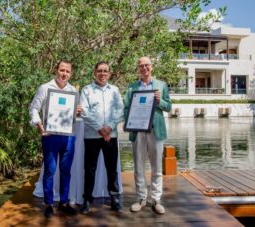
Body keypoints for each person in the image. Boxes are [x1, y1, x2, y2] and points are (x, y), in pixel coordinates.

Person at [29, 60, 81, 218]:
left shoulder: (74, 91)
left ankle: (64, 202)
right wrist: (38, 124)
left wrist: (78, 112)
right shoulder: (45, 88)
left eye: (67, 71)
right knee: (50, 171)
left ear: (71, 73)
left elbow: (74, 116)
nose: (64, 74)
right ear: (56, 70)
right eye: (62, 70)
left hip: (68, 137)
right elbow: (34, 108)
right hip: (50, 136)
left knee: (66, 171)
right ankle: (49, 204)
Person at [124, 56, 172, 214]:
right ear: (137, 69)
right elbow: (126, 109)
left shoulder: (161, 85)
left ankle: (156, 199)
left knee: (157, 167)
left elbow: (169, 107)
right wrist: (129, 124)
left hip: (155, 130)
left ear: (151, 67)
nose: (144, 68)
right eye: (140, 66)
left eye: (146, 65)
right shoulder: (131, 87)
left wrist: (160, 101)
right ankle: (140, 198)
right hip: (138, 130)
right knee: (138, 166)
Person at [79, 61, 124, 214]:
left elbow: (120, 111)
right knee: (90, 169)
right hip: (92, 136)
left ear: (109, 73)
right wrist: (100, 129)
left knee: (112, 169)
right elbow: (84, 112)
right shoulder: (86, 90)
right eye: (100, 71)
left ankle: (114, 197)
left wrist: (109, 128)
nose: (102, 73)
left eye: (105, 71)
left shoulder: (115, 90)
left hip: (111, 136)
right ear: (94, 72)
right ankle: (87, 199)